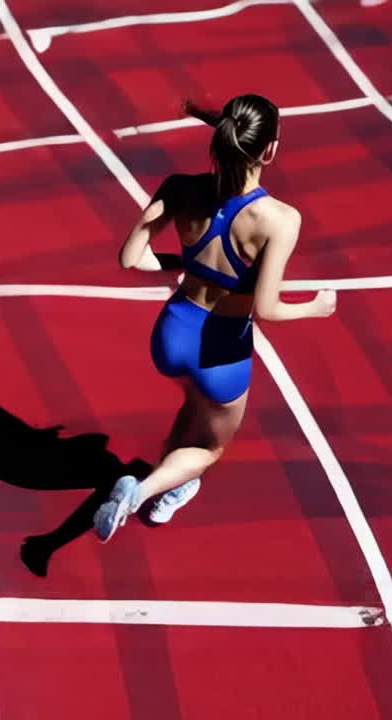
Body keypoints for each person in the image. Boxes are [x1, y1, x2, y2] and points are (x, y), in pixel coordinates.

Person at [93, 93, 338, 543]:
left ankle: (173, 485)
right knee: (211, 446)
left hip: (172, 333)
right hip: (221, 348)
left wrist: (188, 265)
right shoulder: (280, 219)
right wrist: (315, 307)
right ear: (269, 150)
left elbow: (131, 258)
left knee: (194, 406)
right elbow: (267, 309)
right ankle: (141, 491)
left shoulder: (179, 188)